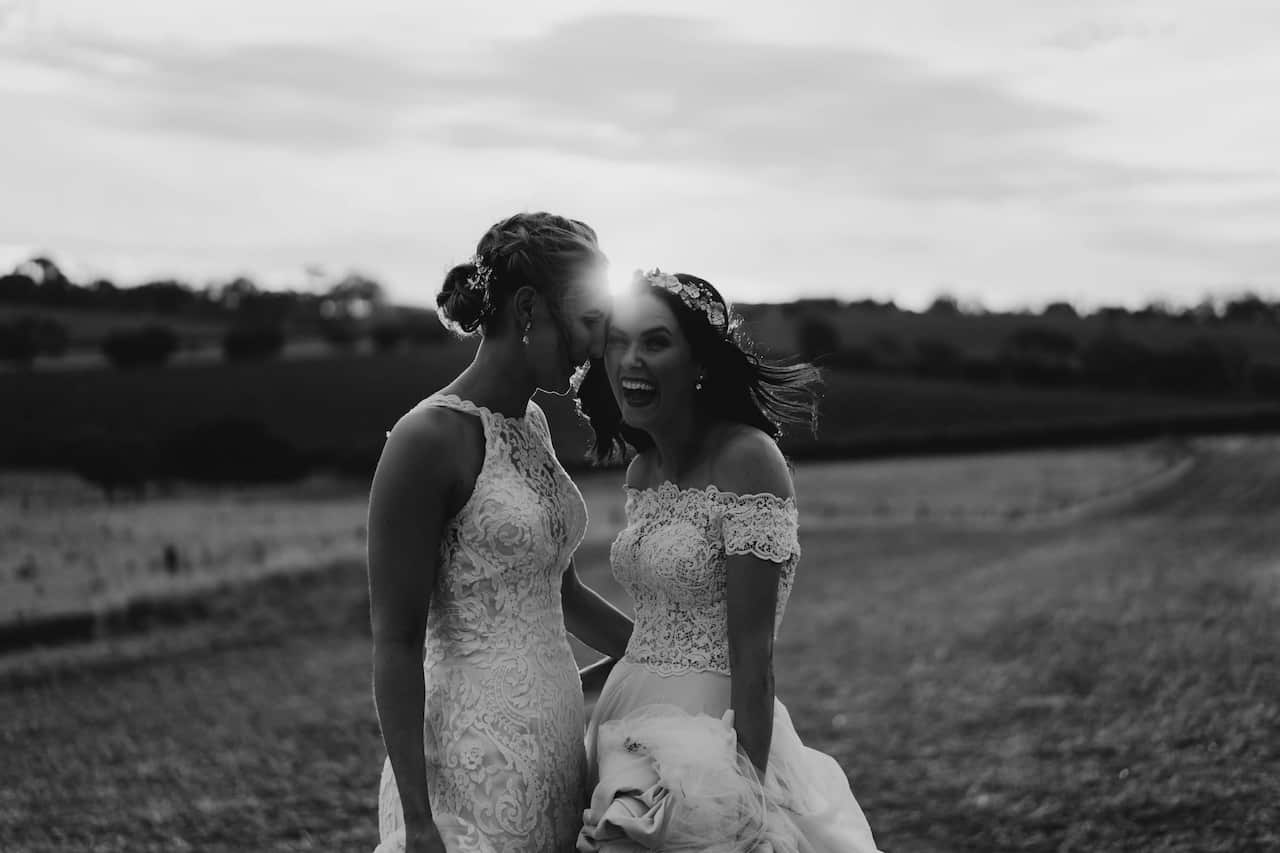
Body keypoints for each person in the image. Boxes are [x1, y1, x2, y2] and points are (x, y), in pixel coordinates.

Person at [573, 269, 882, 852]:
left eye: (656, 342)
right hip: (620, 725)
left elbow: (753, 652)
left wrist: (745, 795)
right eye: (618, 341)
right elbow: (654, 634)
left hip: (704, 738)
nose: (630, 359)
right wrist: (563, 686)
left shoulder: (749, 459)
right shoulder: (643, 472)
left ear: (699, 364)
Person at [367, 212, 633, 853]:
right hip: (468, 767)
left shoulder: (532, 425)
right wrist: (419, 824)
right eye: (590, 320)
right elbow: (396, 643)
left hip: (557, 746)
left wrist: (657, 651)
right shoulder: (424, 440)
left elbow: (555, 589)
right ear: (527, 307)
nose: (598, 344)